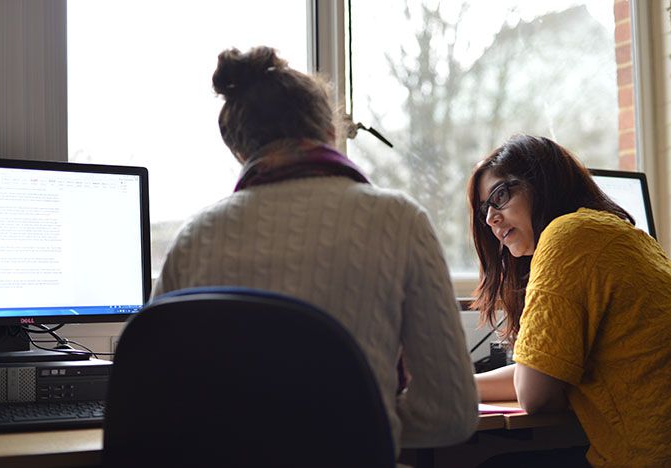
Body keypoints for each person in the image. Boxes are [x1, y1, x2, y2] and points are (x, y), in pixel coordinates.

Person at [152, 46, 478, 456]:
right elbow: (450, 413)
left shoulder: (192, 239)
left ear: (240, 151)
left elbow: (157, 402)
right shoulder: (398, 220)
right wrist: (361, 432)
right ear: (331, 132)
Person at [468, 134, 671, 467]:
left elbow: (535, 395)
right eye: (485, 209)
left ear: (542, 183)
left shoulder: (565, 236)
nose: (490, 219)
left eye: (500, 195)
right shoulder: (628, 237)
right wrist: (458, 387)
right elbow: (539, 375)